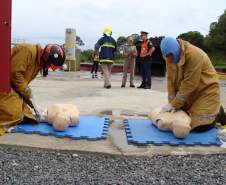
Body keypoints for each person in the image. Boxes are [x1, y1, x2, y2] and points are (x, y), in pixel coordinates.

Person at [160, 37, 225, 134]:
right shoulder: (169, 57)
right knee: (182, 119)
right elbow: (171, 81)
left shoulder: (194, 54)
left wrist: (174, 104)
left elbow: (189, 84)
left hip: (206, 91)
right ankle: (213, 112)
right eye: (167, 57)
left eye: (171, 57)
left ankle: (217, 114)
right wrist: (171, 104)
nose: (170, 60)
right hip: (191, 94)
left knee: (199, 127)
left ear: (176, 51)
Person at [0, 43, 65, 135]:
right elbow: (15, 74)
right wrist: (28, 93)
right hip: (4, 82)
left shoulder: (38, 63)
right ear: (46, 57)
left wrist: (33, 104)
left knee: (27, 114)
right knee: (14, 112)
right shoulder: (28, 51)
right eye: (49, 65)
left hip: (12, 85)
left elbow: (21, 84)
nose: (48, 67)